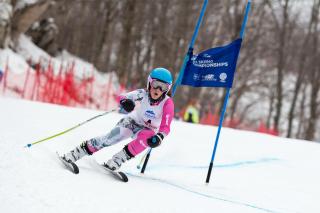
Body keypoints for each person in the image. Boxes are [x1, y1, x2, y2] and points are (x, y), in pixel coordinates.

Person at [61, 68, 175, 171]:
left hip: (149, 130)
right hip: (133, 122)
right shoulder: (143, 93)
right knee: (111, 138)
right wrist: (125, 102)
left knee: (146, 138)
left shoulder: (167, 103)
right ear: (149, 83)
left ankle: (116, 161)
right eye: (155, 84)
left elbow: (166, 127)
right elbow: (122, 97)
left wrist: (159, 137)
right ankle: (76, 153)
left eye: (163, 87)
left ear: (167, 89)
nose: (158, 89)